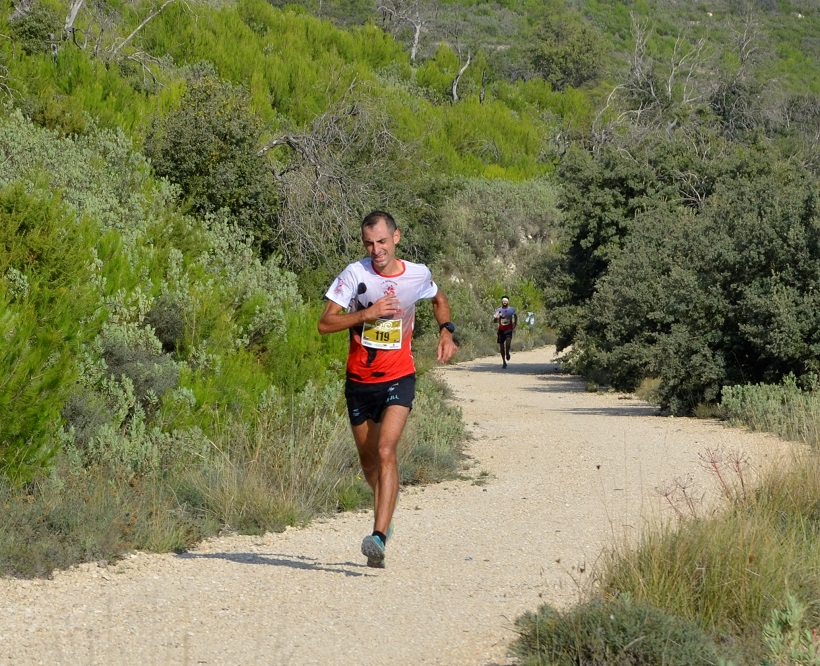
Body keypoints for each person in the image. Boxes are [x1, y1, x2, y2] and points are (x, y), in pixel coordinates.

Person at [318, 210, 458, 568]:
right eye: (369, 243)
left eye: (382, 241)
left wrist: (446, 331)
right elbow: (325, 323)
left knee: (385, 451)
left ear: (396, 238)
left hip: (399, 376)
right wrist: (367, 313)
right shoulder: (355, 274)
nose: (376, 249)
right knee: (368, 464)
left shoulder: (418, 274)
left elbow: (439, 301)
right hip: (359, 381)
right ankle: (387, 514)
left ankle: (378, 537)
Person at [493, 295, 517, 369]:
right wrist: (496, 318)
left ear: (508, 302)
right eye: (503, 301)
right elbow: (494, 321)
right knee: (501, 347)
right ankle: (504, 362)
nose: (504, 302)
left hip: (509, 329)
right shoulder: (499, 310)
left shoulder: (512, 309)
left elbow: (515, 316)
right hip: (501, 330)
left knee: (508, 344)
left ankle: (507, 353)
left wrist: (515, 323)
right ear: (501, 302)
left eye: (506, 301)